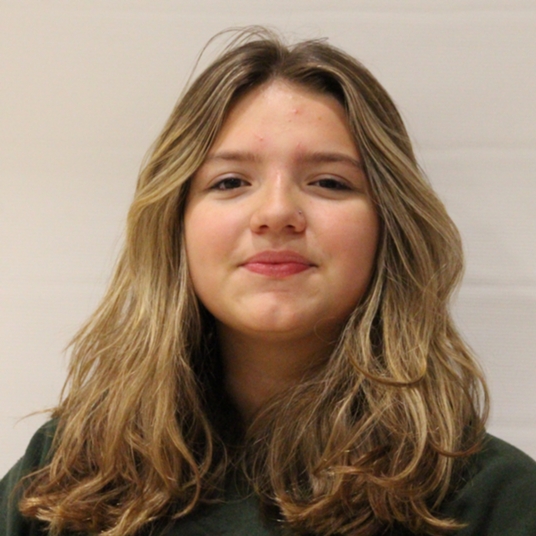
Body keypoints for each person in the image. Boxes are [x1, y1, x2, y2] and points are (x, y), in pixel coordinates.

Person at [1, 27, 536, 536]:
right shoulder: (68, 473)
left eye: (329, 182)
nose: (277, 212)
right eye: (230, 181)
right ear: (174, 224)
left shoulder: (492, 499)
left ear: (388, 227)